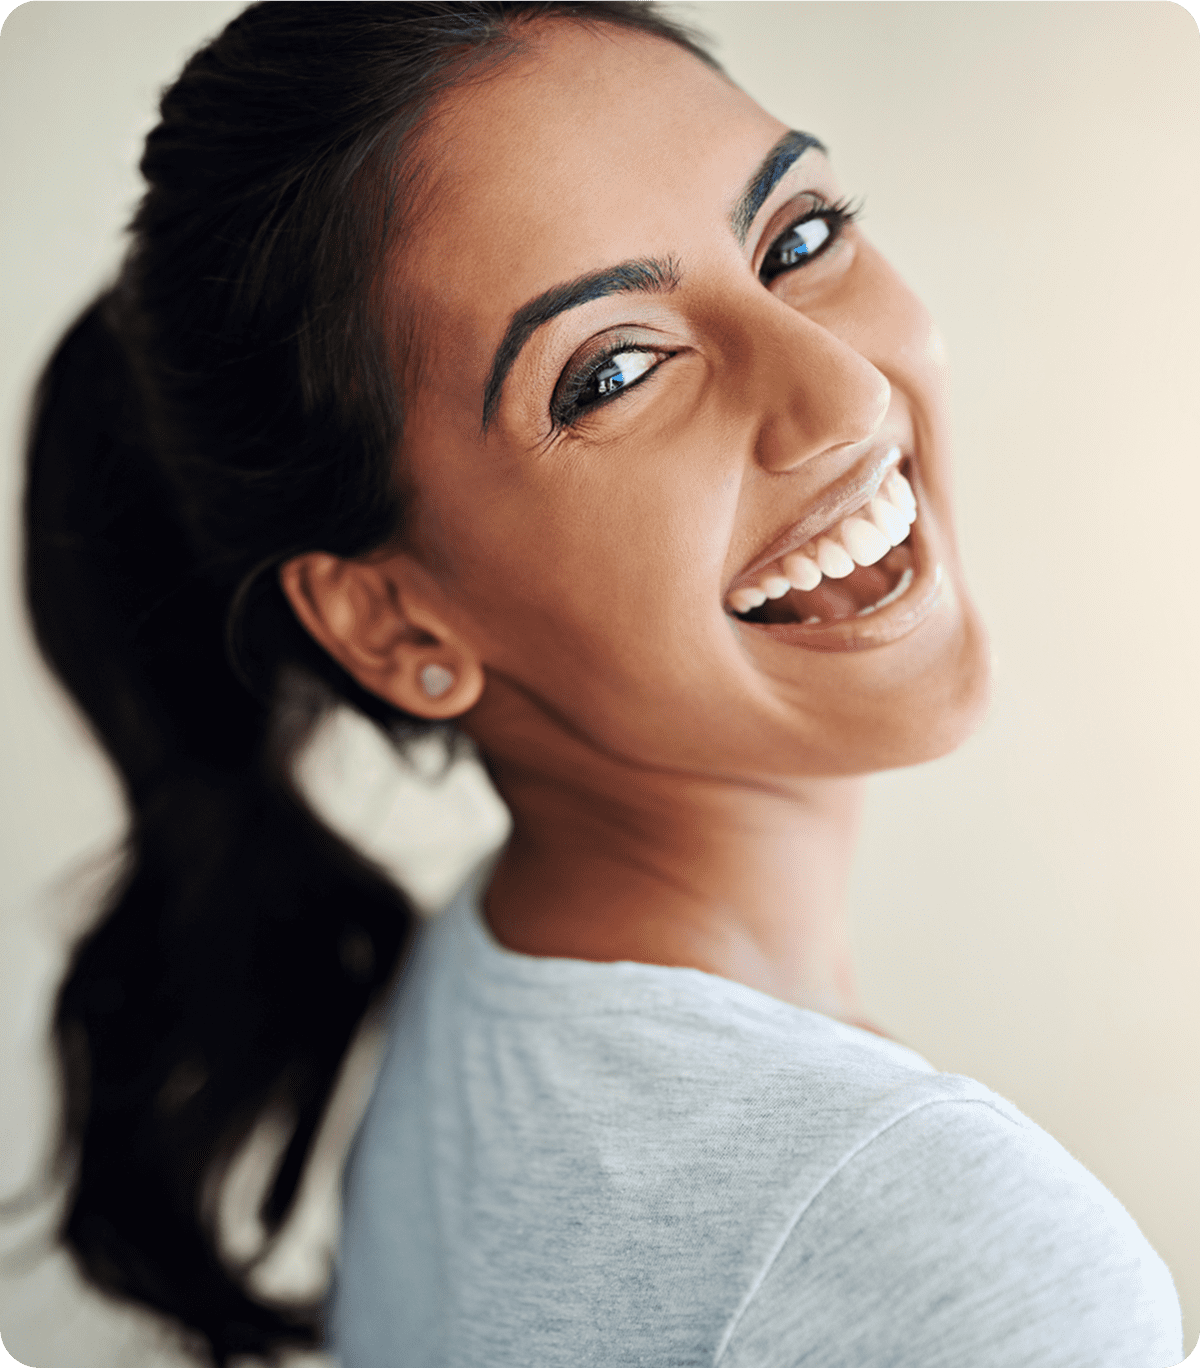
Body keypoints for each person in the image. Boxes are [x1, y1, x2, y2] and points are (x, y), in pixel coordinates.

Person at [21, 2, 1182, 1365]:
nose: (845, 397)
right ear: (393, 625)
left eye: (798, 238)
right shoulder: (955, 1255)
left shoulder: (493, 979)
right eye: (614, 371)